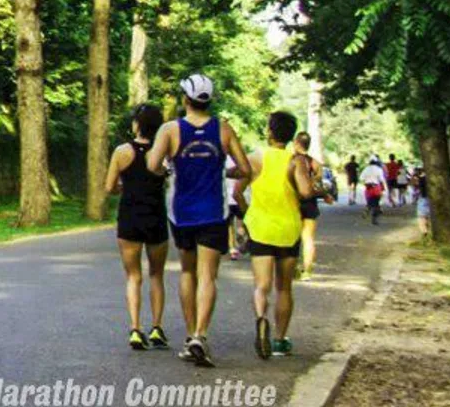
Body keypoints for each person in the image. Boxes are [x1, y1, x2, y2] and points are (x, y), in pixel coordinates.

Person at [148, 73, 251, 368]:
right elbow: (244, 168)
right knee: (208, 276)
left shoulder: (170, 130)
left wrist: (169, 170)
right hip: (214, 212)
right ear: (210, 100)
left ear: (185, 99)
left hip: (181, 212)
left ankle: (189, 335)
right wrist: (223, 171)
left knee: (187, 272)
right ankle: (200, 336)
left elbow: (153, 165)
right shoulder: (224, 129)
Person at [245, 110, 317, 359]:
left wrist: (246, 213)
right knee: (284, 288)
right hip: (287, 229)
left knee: (261, 286)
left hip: (260, 228)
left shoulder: (255, 158)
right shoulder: (295, 161)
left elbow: (237, 186)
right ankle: (279, 339)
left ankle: (261, 318)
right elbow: (307, 192)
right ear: (290, 135)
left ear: (270, 131)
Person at [105, 102, 172, 351]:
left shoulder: (122, 151)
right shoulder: (163, 152)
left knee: (133, 276)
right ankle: (157, 327)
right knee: (157, 274)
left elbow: (109, 187)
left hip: (130, 217)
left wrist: (126, 187)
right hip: (155, 217)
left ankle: (135, 328)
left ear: (136, 125)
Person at [293, 133, 323, 278]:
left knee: (293, 237)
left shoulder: (291, 160)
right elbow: (318, 185)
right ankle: (308, 270)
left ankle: (294, 268)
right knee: (308, 238)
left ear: (297, 143)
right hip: (310, 202)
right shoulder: (315, 163)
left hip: (294, 201)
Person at [361, 155, 387, 223]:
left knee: (370, 201)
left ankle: (368, 209)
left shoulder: (366, 169)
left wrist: (366, 181)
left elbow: (361, 178)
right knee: (376, 203)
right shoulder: (378, 169)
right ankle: (374, 218)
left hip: (368, 187)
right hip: (376, 187)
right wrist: (384, 187)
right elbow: (381, 179)